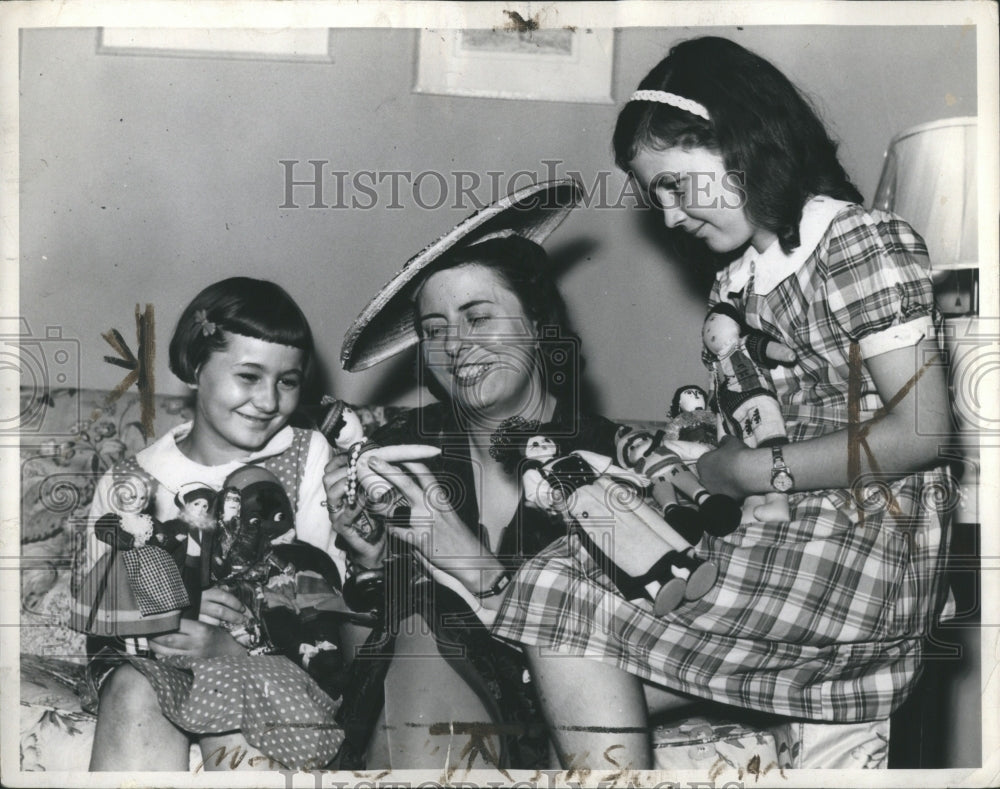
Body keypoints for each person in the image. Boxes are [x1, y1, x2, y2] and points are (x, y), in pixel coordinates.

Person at [476, 36, 955, 769]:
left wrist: (743, 473)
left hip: (858, 550)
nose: (667, 218)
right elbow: (746, 426)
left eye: (673, 184)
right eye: (653, 196)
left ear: (738, 140)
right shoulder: (738, 284)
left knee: (559, 597)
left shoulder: (858, 242)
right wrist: (691, 457)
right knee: (557, 607)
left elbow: (922, 433)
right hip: (777, 533)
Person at [327, 179, 650, 769]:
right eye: (434, 330)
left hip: (560, 709)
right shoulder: (400, 451)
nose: (456, 346)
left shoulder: (613, 461)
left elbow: (632, 648)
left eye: (478, 317)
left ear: (536, 324)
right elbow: (358, 659)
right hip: (418, 703)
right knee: (422, 625)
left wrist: (470, 565)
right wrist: (368, 561)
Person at [80, 276, 347, 771]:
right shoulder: (132, 481)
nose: (268, 401)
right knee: (136, 691)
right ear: (194, 366)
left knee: (239, 708)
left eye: (287, 382)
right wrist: (170, 616)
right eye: (248, 376)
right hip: (151, 663)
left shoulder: (307, 457)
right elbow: (101, 607)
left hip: (266, 664)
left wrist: (236, 646)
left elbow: (320, 594)